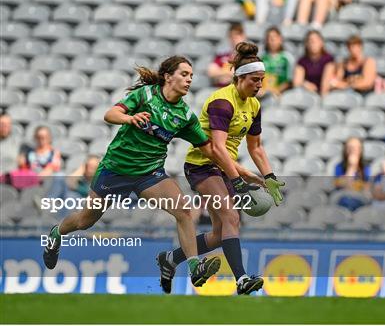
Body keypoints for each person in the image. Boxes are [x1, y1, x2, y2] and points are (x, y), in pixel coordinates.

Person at [43, 56, 223, 290]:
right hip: (115, 169)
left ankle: (194, 269)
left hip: (149, 173)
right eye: (184, 74)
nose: (189, 79)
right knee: (85, 221)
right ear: (168, 77)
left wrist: (233, 169)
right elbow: (110, 114)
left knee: (185, 211)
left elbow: (208, 148)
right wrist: (130, 118)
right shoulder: (145, 95)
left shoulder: (185, 116)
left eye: (191, 76)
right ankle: (56, 234)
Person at [158, 42, 286, 295]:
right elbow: (216, 148)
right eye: (254, 80)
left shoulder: (254, 105)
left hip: (225, 167)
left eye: (262, 80)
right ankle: (241, 279)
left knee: (219, 234)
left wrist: (269, 177)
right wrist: (238, 179)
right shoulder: (222, 102)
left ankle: (170, 259)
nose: (259, 85)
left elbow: (256, 148)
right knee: (231, 217)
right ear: (239, 77)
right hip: (203, 166)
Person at [334, 137, 371, 211]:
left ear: (360, 150)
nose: (352, 150)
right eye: (349, 148)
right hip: (343, 197)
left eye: (355, 148)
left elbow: (367, 188)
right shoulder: (339, 167)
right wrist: (351, 167)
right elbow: (344, 186)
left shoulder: (366, 167)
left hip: (360, 197)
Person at [293, 30, 334, 95]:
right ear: (306, 44)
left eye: (316, 40)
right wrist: (305, 84)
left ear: (321, 42)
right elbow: (297, 82)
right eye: (310, 40)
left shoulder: (328, 59)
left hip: (322, 93)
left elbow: (326, 83)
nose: (313, 43)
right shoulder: (302, 61)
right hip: (307, 93)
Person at [207, 23, 247, 88]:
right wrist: (230, 73)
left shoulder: (250, 57)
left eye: (237, 36)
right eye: (231, 37)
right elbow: (211, 72)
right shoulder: (223, 56)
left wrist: (223, 72)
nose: (234, 40)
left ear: (243, 37)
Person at [260, 26, 295, 97]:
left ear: (280, 39)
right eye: (270, 38)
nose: (272, 40)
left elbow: (290, 81)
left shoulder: (287, 58)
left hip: (282, 94)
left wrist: (277, 90)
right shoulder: (261, 57)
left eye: (275, 37)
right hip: (262, 93)